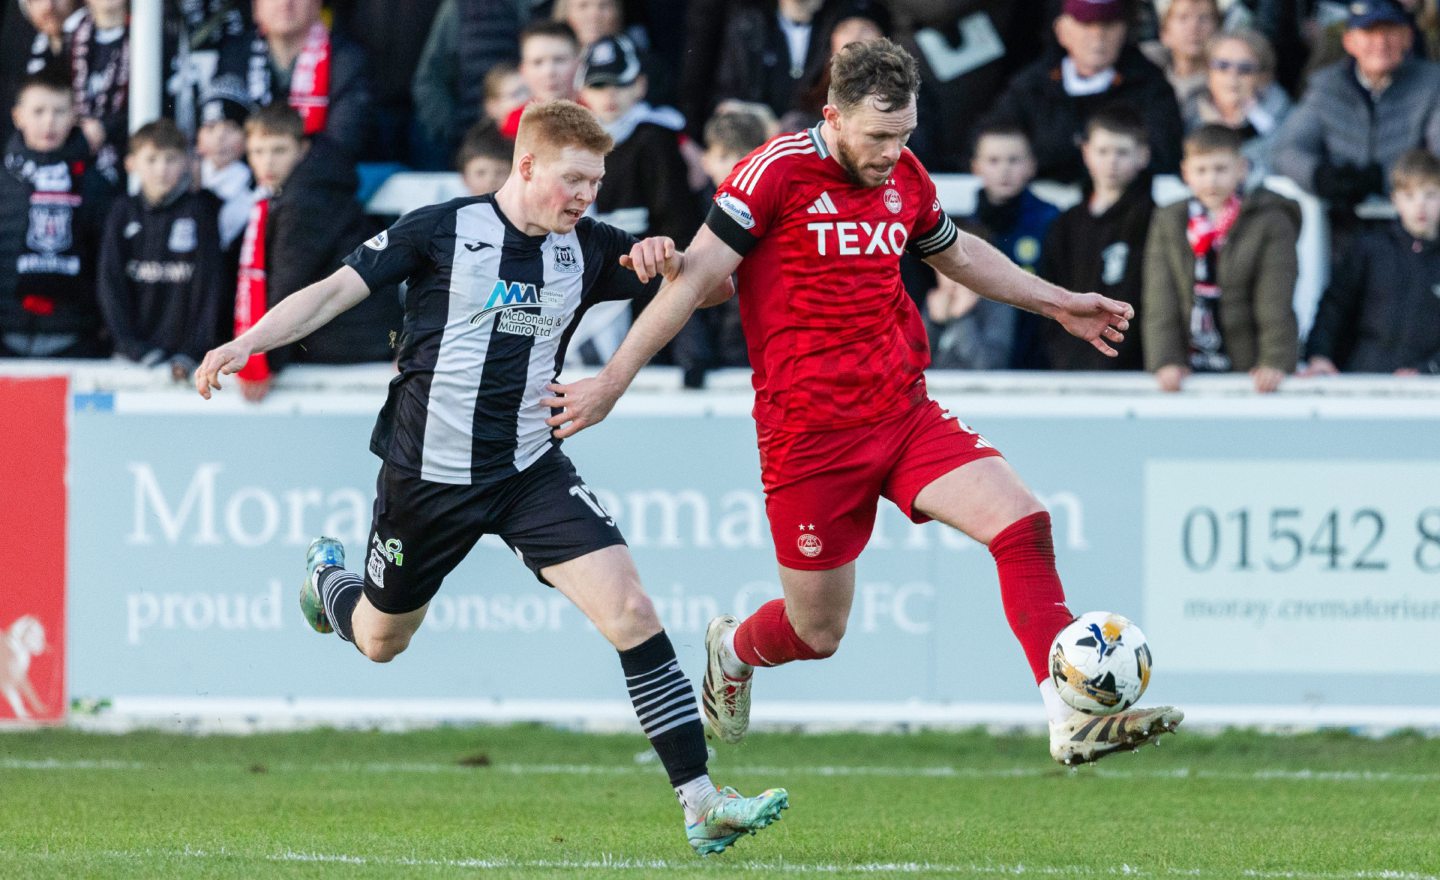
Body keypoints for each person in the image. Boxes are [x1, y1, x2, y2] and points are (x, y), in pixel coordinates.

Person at [542, 39, 1184, 767]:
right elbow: (691, 282)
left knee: (1023, 524)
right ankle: (735, 649)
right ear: (834, 116)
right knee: (818, 633)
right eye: (878, 136)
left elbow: (958, 254)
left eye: (904, 134)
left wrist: (1059, 302)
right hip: (808, 437)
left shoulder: (904, 175)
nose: (892, 151)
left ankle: (1068, 715)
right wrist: (611, 382)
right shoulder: (772, 174)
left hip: (902, 412)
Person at [193, 99, 788, 855]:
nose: (585, 197)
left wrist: (668, 262)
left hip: (528, 471)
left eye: (596, 183)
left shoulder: (592, 247)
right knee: (380, 641)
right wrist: (247, 341)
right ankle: (329, 582)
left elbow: (712, 290)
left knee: (633, 611)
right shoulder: (443, 228)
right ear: (528, 164)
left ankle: (700, 802)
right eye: (572, 180)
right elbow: (334, 291)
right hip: (425, 479)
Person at [231, 103, 399, 403]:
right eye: (258, 152)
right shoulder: (313, 182)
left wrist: (263, 362)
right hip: (361, 331)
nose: (267, 162)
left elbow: (289, 282)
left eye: (279, 150)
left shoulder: (306, 199)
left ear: (302, 148)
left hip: (353, 339)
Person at [570, 33, 696, 368]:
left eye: (619, 84)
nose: (609, 95)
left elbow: (678, 221)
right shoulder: (570, 145)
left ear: (639, 85)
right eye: (599, 86)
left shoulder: (656, 138)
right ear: (583, 93)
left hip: (647, 278)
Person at [1143, 124, 1299, 393]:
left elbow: (1276, 298)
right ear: (1185, 173)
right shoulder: (1168, 220)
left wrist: (1274, 360)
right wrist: (1166, 360)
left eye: (1220, 169)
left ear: (1241, 168)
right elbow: (1160, 298)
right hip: (1188, 367)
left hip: (1249, 366)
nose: (1211, 180)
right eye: (1201, 170)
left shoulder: (1271, 221)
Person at [982, 0, 1185, 183]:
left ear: (1124, 30)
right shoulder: (1032, 85)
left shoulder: (1151, 85)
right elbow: (989, 141)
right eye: (1086, 24)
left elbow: (1165, 154)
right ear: (1062, 31)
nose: (1098, 35)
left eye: (1108, 25)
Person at [1272, 0, 1440, 212]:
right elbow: (1286, 150)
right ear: (1349, 42)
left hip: (1414, 216)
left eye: (1390, 32)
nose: (1381, 42)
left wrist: (1388, 179)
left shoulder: (1432, 84)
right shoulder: (1327, 86)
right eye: (1369, 32)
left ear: (1408, 38)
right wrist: (1321, 176)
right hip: (1341, 220)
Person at [1021, 107, 1155, 372]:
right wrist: (1059, 352)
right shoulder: (1064, 224)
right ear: (1086, 152)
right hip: (1066, 364)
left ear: (1143, 156)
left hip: (1134, 370)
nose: (1111, 162)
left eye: (1122, 152)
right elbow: (1047, 294)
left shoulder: (1153, 220)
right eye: (1103, 151)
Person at [97, 119, 222, 380]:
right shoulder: (122, 212)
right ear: (131, 164)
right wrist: (132, 347)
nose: (161, 169)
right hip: (131, 360)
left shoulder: (201, 212)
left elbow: (210, 288)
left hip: (188, 363)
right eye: (151, 159)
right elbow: (110, 284)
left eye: (170, 159)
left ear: (187, 162)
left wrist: (193, 351)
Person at [0, 73, 114, 358]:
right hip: (6, 336)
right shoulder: (3, 180)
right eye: (38, 111)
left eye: (59, 111)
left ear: (74, 116)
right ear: (18, 116)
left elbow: (107, 263)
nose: (49, 122)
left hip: (75, 337)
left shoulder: (96, 184)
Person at [927, 124, 1059, 371]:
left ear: (1031, 165)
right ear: (976, 166)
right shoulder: (958, 226)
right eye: (993, 160)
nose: (1004, 170)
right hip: (974, 355)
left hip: (1036, 356)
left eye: (1014, 160)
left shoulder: (1051, 222)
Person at [1303, 148, 1440, 375]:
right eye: (1409, 195)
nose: (1420, 205)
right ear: (1395, 199)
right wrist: (1320, 355)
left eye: (1430, 195)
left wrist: (1427, 370)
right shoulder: (1370, 247)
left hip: (1428, 393)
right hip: (1363, 381)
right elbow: (1334, 306)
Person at [217, 0, 374, 159]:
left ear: (317, 4)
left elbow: (344, 141)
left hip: (321, 173)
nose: (285, 3)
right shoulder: (234, 55)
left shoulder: (346, 59)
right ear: (256, 6)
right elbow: (224, 128)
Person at [1182, 29, 1292, 185]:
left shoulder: (1285, 118)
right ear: (1207, 71)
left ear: (1263, 77)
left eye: (1245, 69)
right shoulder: (1187, 115)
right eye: (1222, 66)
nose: (1232, 75)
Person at [64, 0, 129, 184]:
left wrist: (105, 127)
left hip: (127, 160)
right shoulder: (72, 36)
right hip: (80, 161)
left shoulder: (150, 33)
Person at [499, 21, 583, 140]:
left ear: (579, 64)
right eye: (537, 62)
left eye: (559, 60)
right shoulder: (515, 124)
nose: (549, 72)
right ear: (523, 70)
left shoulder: (597, 114)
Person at [1142, 0, 1223, 107]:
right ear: (1165, 33)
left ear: (1218, 30)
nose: (1194, 27)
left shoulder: (1224, 87)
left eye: (1204, 18)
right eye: (1183, 18)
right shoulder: (1145, 80)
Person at [456, 121, 512, 196]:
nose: (491, 180)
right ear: (464, 178)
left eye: (500, 172)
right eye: (481, 173)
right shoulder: (455, 207)